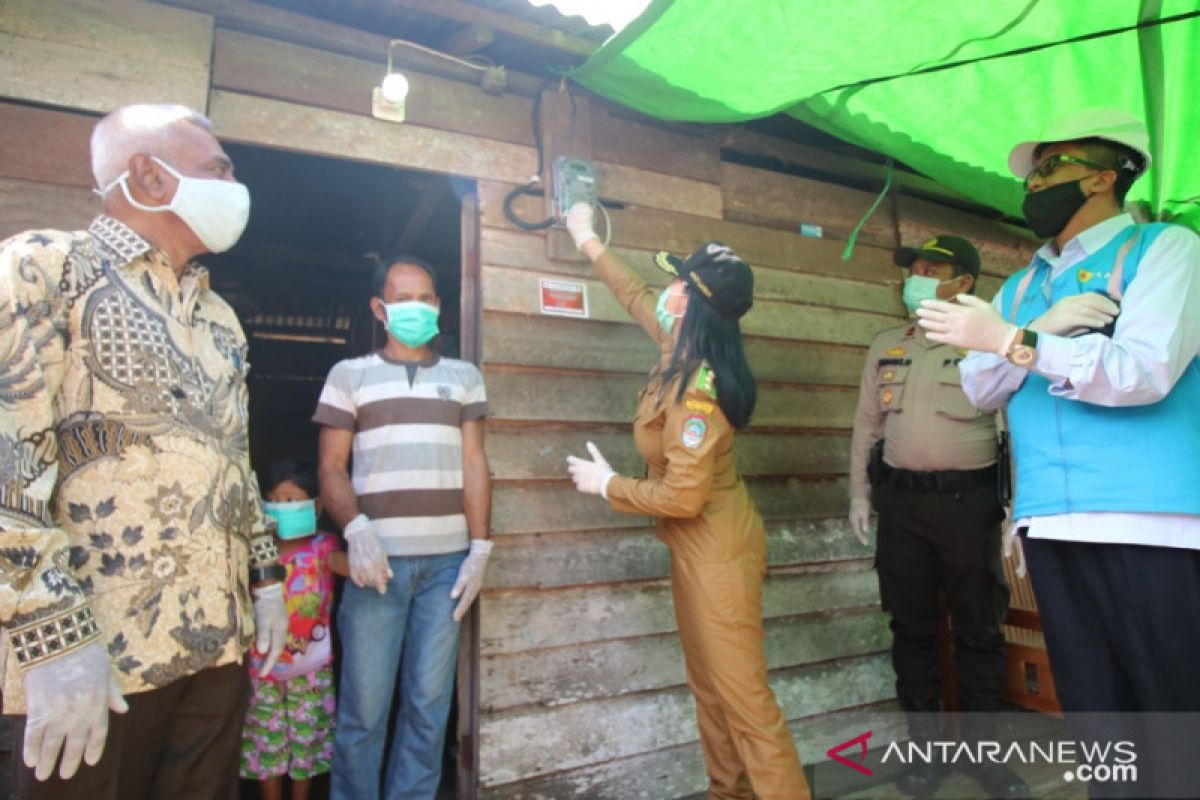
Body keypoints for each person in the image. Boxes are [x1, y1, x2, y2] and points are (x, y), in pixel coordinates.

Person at [0, 103, 287, 798]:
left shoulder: (219, 319)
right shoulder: (44, 267)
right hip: (99, 656)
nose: (234, 185)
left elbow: (233, 459)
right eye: (218, 169)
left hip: (215, 646)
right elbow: (8, 462)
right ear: (148, 177)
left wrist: (267, 578)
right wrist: (54, 639)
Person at [917, 108, 1200, 798]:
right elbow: (981, 388)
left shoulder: (1164, 250)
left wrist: (1021, 343)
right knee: (1096, 710)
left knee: (1171, 709)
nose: (1033, 185)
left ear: (1105, 176)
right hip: (1052, 518)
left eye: (1051, 168)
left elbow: (1144, 371)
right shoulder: (1021, 286)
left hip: (1149, 516)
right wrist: (1028, 329)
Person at [563, 202, 810, 800]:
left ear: (694, 302)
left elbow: (682, 494)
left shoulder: (700, 393)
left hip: (719, 554)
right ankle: (728, 793)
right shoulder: (679, 343)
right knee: (709, 689)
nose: (666, 290)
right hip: (694, 551)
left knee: (746, 701)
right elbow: (632, 293)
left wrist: (609, 486)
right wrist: (586, 239)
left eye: (677, 282)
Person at [849, 235, 1027, 798]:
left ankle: (986, 758)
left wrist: (1019, 512)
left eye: (932, 268)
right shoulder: (887, 343)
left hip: (969, 508)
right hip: (901, 507)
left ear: (964, 283)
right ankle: (925, 756)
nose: (918, 276)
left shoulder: (991, 343)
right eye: (915, 268)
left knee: (978, 632)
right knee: (912, 631)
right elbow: (865, 428)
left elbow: (1019, 433)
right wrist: (859, 494)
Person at [314, 256, 492, 800]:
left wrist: (479, 547)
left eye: (426, 298)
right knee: (364, 711)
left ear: (437, 306)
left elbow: (475, 464)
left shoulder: (464, 377)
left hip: (445, 569)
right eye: (404, 299)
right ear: (380, 308)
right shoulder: (350, 376)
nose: (416, 308)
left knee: (427, 707)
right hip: (376, 569)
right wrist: (357, 531)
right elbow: (328, 469)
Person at [241, 459, 349, 800]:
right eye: (274, 498)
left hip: (311, 669)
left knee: (307, 742)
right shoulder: (256, 553)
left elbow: (350, 566)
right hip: (262, 670)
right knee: (265, 744)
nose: (281, 507)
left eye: (291, 499)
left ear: (315, 506)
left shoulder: (323, 548)